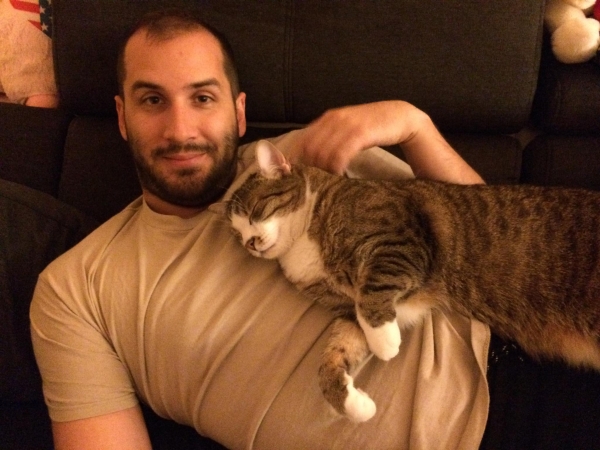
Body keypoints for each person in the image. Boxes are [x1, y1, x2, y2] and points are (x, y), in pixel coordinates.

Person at [30, 9, 488, 450]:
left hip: (503, 338)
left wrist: (415, 128)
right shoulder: (74, 290)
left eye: (202, 98)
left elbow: (490, 240)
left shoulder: (313, 157)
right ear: (122, 117)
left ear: (239, 111)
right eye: (152, 100)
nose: (180, 129)